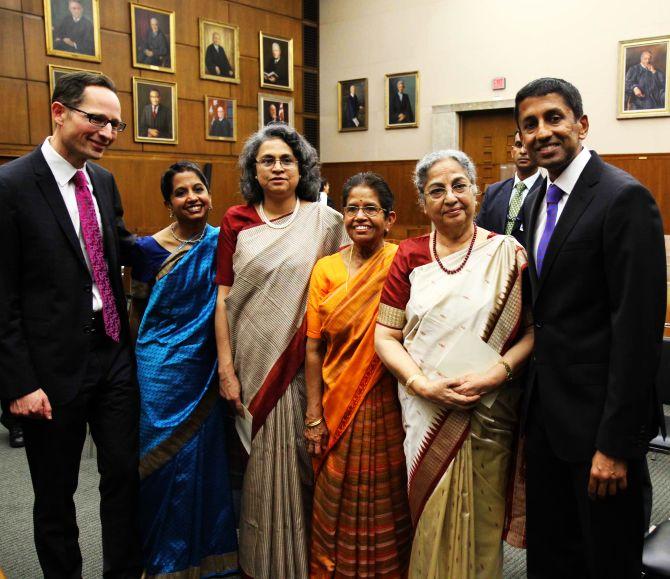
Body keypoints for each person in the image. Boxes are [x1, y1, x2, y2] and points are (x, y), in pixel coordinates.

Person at [516, 77, 666, 578]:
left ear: (581, 123)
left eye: (553, 118)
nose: (542, 132)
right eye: (530, 124)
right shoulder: (538, 199)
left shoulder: (623, 198)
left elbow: (637, 333)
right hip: (546, 423)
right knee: (553, 557)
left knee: (606, 562)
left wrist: (616, 444)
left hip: (600, 430)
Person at [0, 71, 141, 577]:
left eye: (115, 124)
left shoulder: (102, 181)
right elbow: (2, 296)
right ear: (59, 112)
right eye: (96, 119)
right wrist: (18, 383)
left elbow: (119, 247)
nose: (106, 131)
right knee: (56, 493)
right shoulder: (10, 185)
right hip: (49, 369)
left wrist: (191, 240)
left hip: (111, 356)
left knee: (125, 475)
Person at [375, 149, 533, 578]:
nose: (450, 197)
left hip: (489, 410)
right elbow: (385, 336)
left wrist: (496, 375)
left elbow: (533, 334)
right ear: (423, 203)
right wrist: (420, 384)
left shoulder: (508, 253)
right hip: (426, 409)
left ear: (476, 194)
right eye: (436, 190)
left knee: (480, 518)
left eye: (459, 185)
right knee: (428, 510)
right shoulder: (408, 256)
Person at [214, 124, 344, 578]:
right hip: (250, 367)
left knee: (306, 470)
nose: (277, 167)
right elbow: (224, 298)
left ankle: (306, 565)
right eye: (267, 160)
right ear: (254, 170)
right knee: (257, 472)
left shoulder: (326, 223)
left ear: (301, 167)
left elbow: (344, 291)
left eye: (286, 159)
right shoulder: (237, 221)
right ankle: (263, 564)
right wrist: (226, 368)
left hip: (305, 369)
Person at [130, 161, 239, 578]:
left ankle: (207, 558)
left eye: (199, 188)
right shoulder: (147, 249)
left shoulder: (224, 242)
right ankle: (160, 560)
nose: (193, 197)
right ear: (167, 203)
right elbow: (138, 312)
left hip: (205, 365)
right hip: (159, 367)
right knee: (160, 462)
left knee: (203, 459)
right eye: (182, 192)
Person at [306, 172, 412, 577]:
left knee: (386, 495)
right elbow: (314, 347)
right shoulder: (326, 270)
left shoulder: (403, 261)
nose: (360, 216)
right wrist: (313, 416)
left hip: (389, 401)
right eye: (352, 208)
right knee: (337, 494)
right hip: (335, 401)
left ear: (390, 217)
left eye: (371, 209)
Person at [476, 130, 542, 245]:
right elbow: (479, 232)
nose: (523, 151)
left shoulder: (548, 192)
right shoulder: (493, 192)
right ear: (512, 152)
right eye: (518, 145)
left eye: (529, 145)